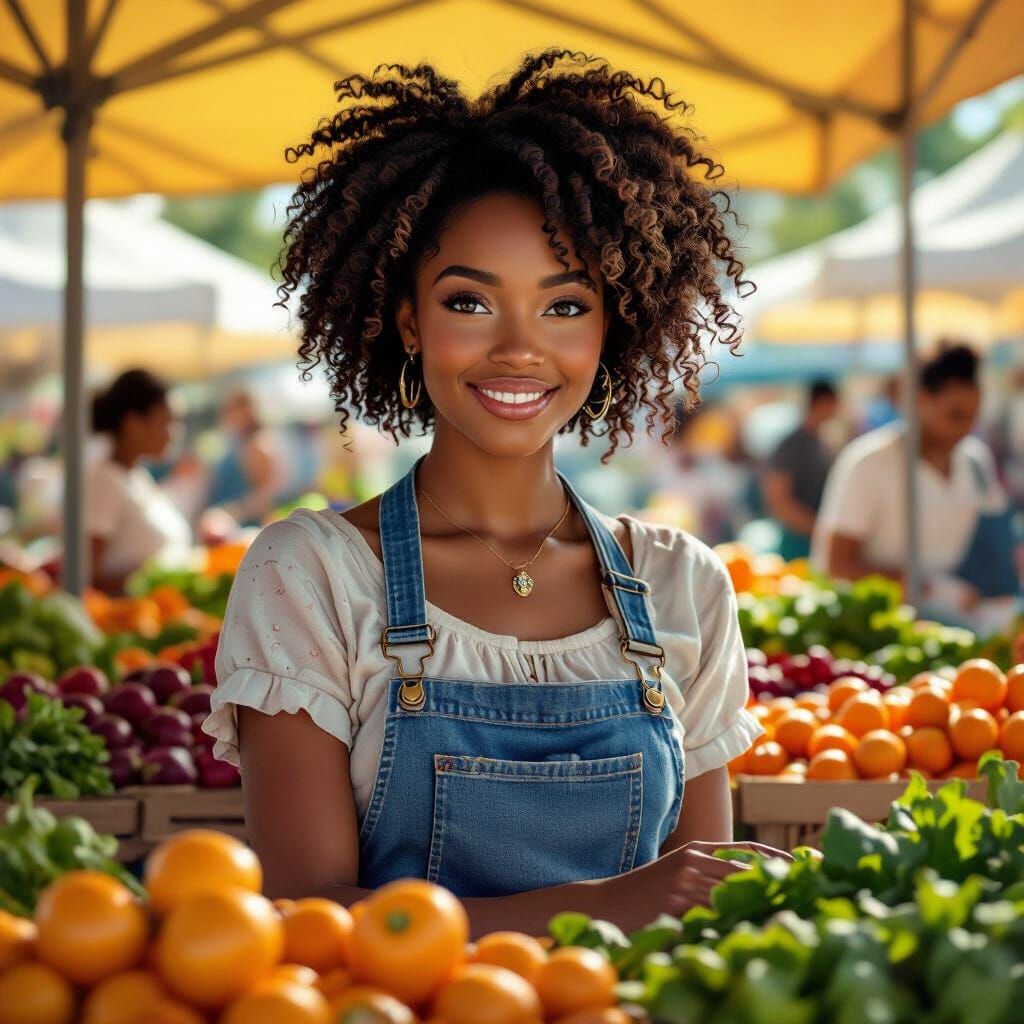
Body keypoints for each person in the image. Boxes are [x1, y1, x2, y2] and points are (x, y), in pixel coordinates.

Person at [203, 51, 776, 937]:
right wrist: (596, 909)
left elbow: (703, 921)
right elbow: (303, 920)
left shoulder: (682, 582)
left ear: (614, 322)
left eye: (565, 305)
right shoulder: (311, 575)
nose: (519, 349)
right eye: (470, 302)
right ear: (408, 320)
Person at [813, 344, 1021, 631]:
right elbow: (836, 564)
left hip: (959, 619)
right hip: (876, 625)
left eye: (973, 417)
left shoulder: (975, 460)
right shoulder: (869, 464)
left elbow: (1001, 541)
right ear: (922, 400)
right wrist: (921, 586)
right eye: (955, 416)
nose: (964, 428)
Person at [85, 369, 192, 592]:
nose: (174, 433)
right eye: (167, 422)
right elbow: (87, 578)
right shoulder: (105, 482)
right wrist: (156, 577)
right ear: (133, 423)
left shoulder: (136, 476)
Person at [762, 380, 838, 560]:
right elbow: (778, 500)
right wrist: (816, 529)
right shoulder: (791, 446)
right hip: (796, 543)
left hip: (815, 541)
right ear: (822, 404)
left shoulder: (822, 443)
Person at [206, 389, 285, 528]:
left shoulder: (258, 445)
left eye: (232, 410)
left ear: (247, 411)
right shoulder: (239, 442)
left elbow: (266, 495)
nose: (227, 416)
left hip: (245, 526)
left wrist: (234, 511)